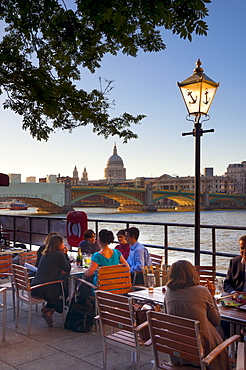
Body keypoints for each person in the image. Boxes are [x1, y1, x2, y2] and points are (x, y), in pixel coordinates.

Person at [165, 260, 231, 370]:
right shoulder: (202, 291)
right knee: (222, 328)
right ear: (192, 273)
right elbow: (216, 321)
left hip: (179, 349)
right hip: (204, 349)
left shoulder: (168, 292)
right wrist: (212, 297)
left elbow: (168, 316)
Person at [31, 235, 71, 327]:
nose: (64, 244)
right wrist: (65, 253)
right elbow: (67, 268)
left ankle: (50, 310)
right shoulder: (59, 254)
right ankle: (50, 309)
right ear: (58, 244)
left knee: (63, 285)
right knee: (65, 290)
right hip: (45, 288)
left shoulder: (46, 253)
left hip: (36, 285)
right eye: (62, 243)